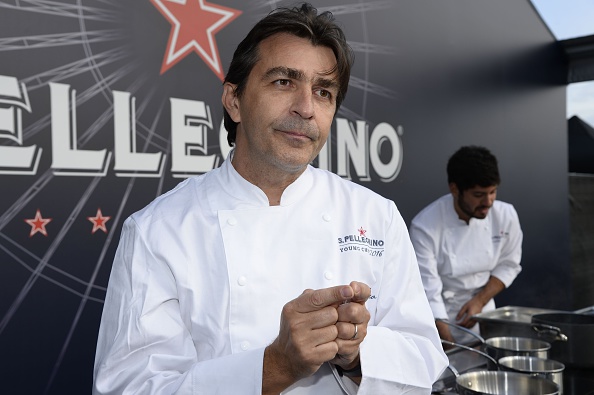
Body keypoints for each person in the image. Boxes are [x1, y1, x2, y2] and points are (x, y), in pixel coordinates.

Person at [93, 3, 447, 394]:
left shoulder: (376, 216)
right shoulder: (158, 231)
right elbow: (128, 387)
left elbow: (423, 362)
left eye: (323, 91)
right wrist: (276, 365)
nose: (306, 108)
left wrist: (358, 352)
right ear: (234, 100)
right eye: (283, 82)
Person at [409, 146, 523, 343]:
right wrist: (448, 345)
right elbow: (428, 289)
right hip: (439, 315)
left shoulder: (506, 216)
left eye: (493, 192)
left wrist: (479, 301)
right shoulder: (425, 226)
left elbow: (509, 264)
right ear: (455, 189)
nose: (488, 202)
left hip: (484, 312)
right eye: (478, 195)